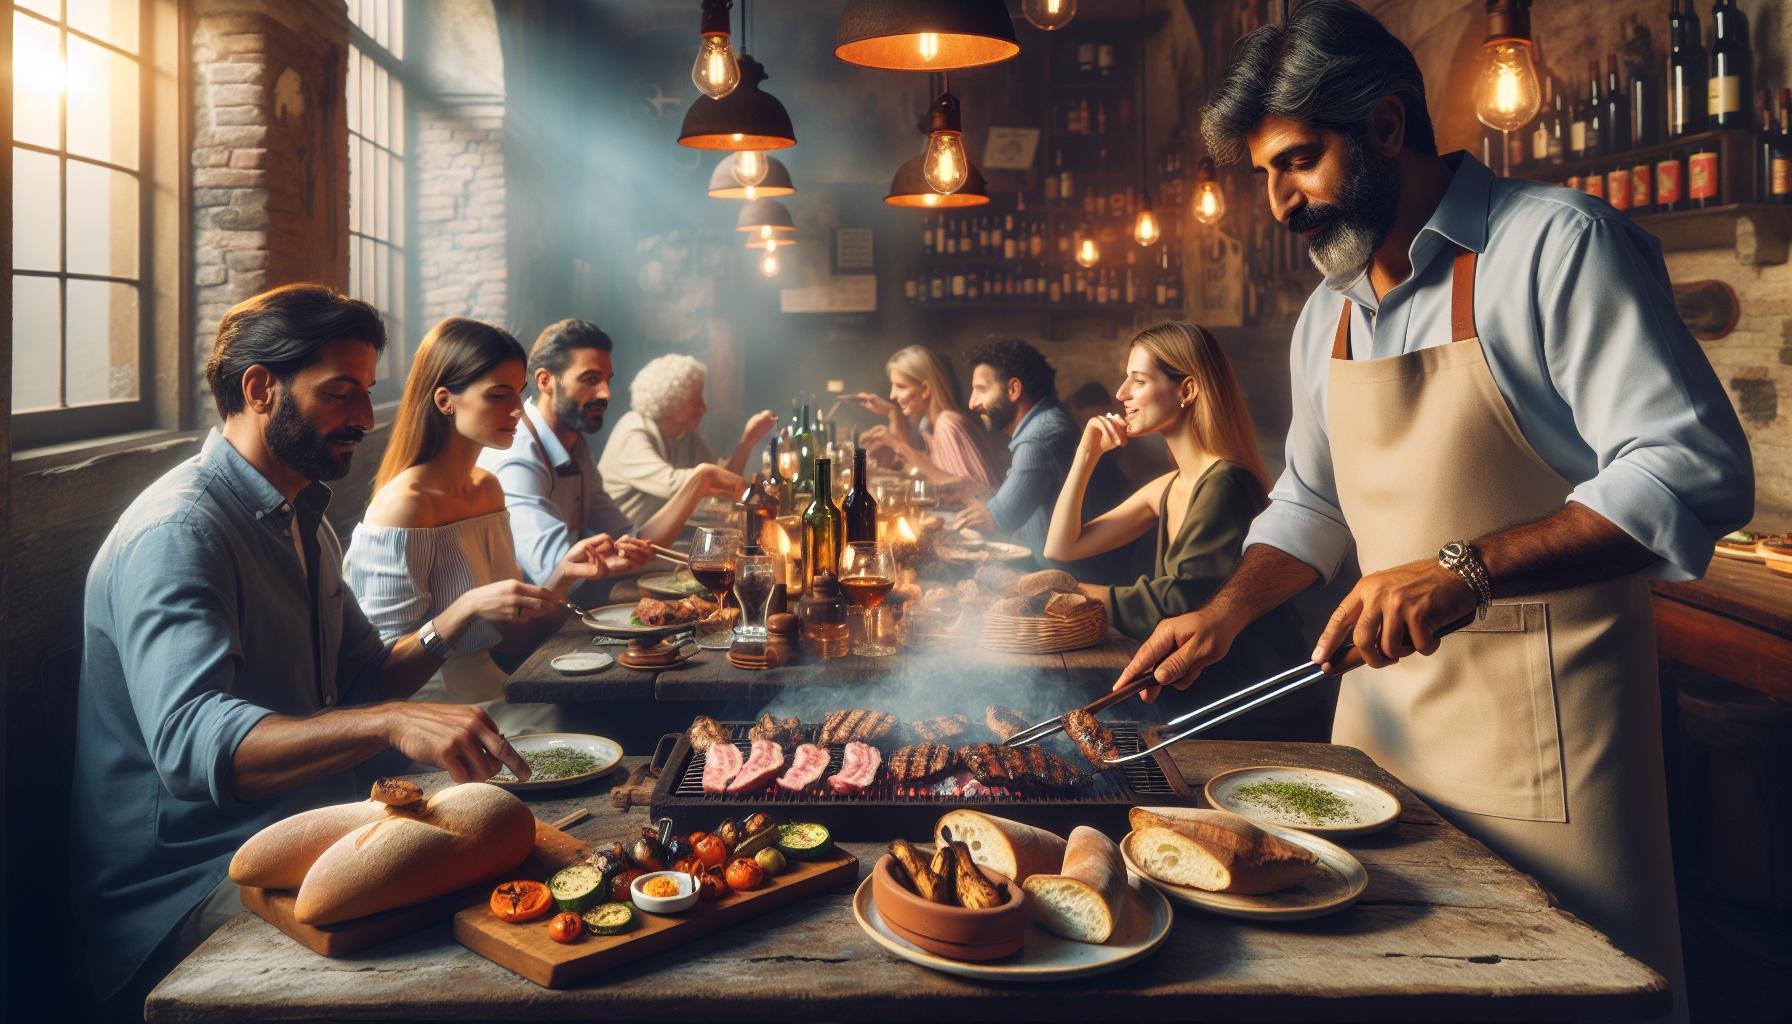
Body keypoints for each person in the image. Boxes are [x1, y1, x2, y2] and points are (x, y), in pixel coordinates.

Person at [1115, 2, 1752, 1014]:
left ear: (1384, 124)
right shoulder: (1323, 315)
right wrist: (1221, 613)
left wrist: (1464, 566)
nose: (1279, 201)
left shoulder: (1556, 245)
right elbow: (1311, 503)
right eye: (1266, 175)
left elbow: (1688, 468)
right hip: (1373, 759)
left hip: (1550, 756)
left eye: (1298, 160)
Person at [70, 285, 542, 1019]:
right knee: (458, 956)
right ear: (261, 389)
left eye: (368, 392)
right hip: (186, 889)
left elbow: (362, 675)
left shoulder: (303, 513)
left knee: (519, 869)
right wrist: (388, 722)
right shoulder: (179, 531)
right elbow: (193, 746)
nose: (365, 417)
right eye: (341, 393)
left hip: (313, 830)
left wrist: (442, 633)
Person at [346, 318, 650, 736]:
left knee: (626, 712)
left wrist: (562, 575)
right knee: (611, 723)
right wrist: (466, 607)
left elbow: (515, 642)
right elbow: (381, 681)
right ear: (444, 400)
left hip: (501, 696)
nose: (516, 411)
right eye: (497, 396)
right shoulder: (404, 505)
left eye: (519, 395)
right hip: (429, 725)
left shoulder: (487, 488)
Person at [1044, 323, 1310, 728]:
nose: (1121, 394)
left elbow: (1175, 602)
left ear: (1186, 391)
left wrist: (1067, 594)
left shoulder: (1225, 482)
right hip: (1203, 696)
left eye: (1138, 380)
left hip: (1251, 708)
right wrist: (1087, 453)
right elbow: (1062, 547)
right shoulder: (1171, 485)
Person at [478, 319, 740, 587]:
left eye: (607, 380)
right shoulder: (518, 454)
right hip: (529, 619)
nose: (605, 393)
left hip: (568, 604)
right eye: (591, 380)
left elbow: (636, 539)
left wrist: (700, 481)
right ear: (546, 381)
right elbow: (555, 569)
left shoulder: (575, 444)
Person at [951, 337, 1129, 580]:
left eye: (981, 389)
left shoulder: (1041, 435)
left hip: (1074, 589)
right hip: (1056, 576)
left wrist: (959, 517)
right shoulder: (1046, 422)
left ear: (1013, 389)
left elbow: (999, 518)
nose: (973, 403)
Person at [599, 352, 776, 524]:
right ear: (670, 400)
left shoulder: (686, 434)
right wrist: (719, 478)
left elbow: (722, 480)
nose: (704, 408)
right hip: (614, 543)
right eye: (696, 400)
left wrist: (749, 440)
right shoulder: (633, 430)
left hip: (649, 543)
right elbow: (671, 484)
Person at [851, 344, 1004, 494]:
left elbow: (969, 488)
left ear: (925, 389)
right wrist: (892, 415)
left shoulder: (948, 422)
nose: (892, 395)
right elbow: (922, 468)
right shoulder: (930, 424)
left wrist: (898, 444)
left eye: (900, 386)